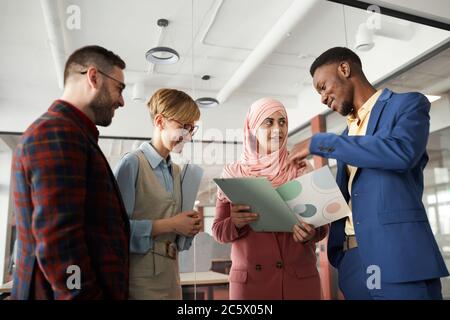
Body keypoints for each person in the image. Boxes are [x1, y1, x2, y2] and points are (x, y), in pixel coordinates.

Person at [288, 47, 449, 300]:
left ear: (344, 69)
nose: (322, 98)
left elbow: (401, 152)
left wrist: (318, 142)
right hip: (352, 263)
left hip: (399, 260)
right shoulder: (346, 136)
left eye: (322, 86)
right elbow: (353, 197)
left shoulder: (407, 104)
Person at [11, 45, 130, 299]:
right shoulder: (58, 132)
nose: (121, 101)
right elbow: (61, 244)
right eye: (119, 88)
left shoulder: (72, 133)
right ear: (94, 77)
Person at [213, 97, 328, 300]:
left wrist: (311, 233)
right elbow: (218, 231)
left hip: (299, 282)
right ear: (253, 127)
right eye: (269, 122)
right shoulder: (232, 173)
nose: (277, 129)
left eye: (282, 122)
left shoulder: (301, 168)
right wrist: (235, 223)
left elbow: (322, 228)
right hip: (252, 285)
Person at [114, 88, 202, 299]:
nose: (188, 136)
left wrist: (189, 226)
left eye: (192, 129)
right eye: (183, 127)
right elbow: (115, 229)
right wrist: (172, 224)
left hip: (171, 276)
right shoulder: (132, 164)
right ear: (160, 121)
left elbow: (175, 224)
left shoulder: (177, 172)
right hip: (139, 279)